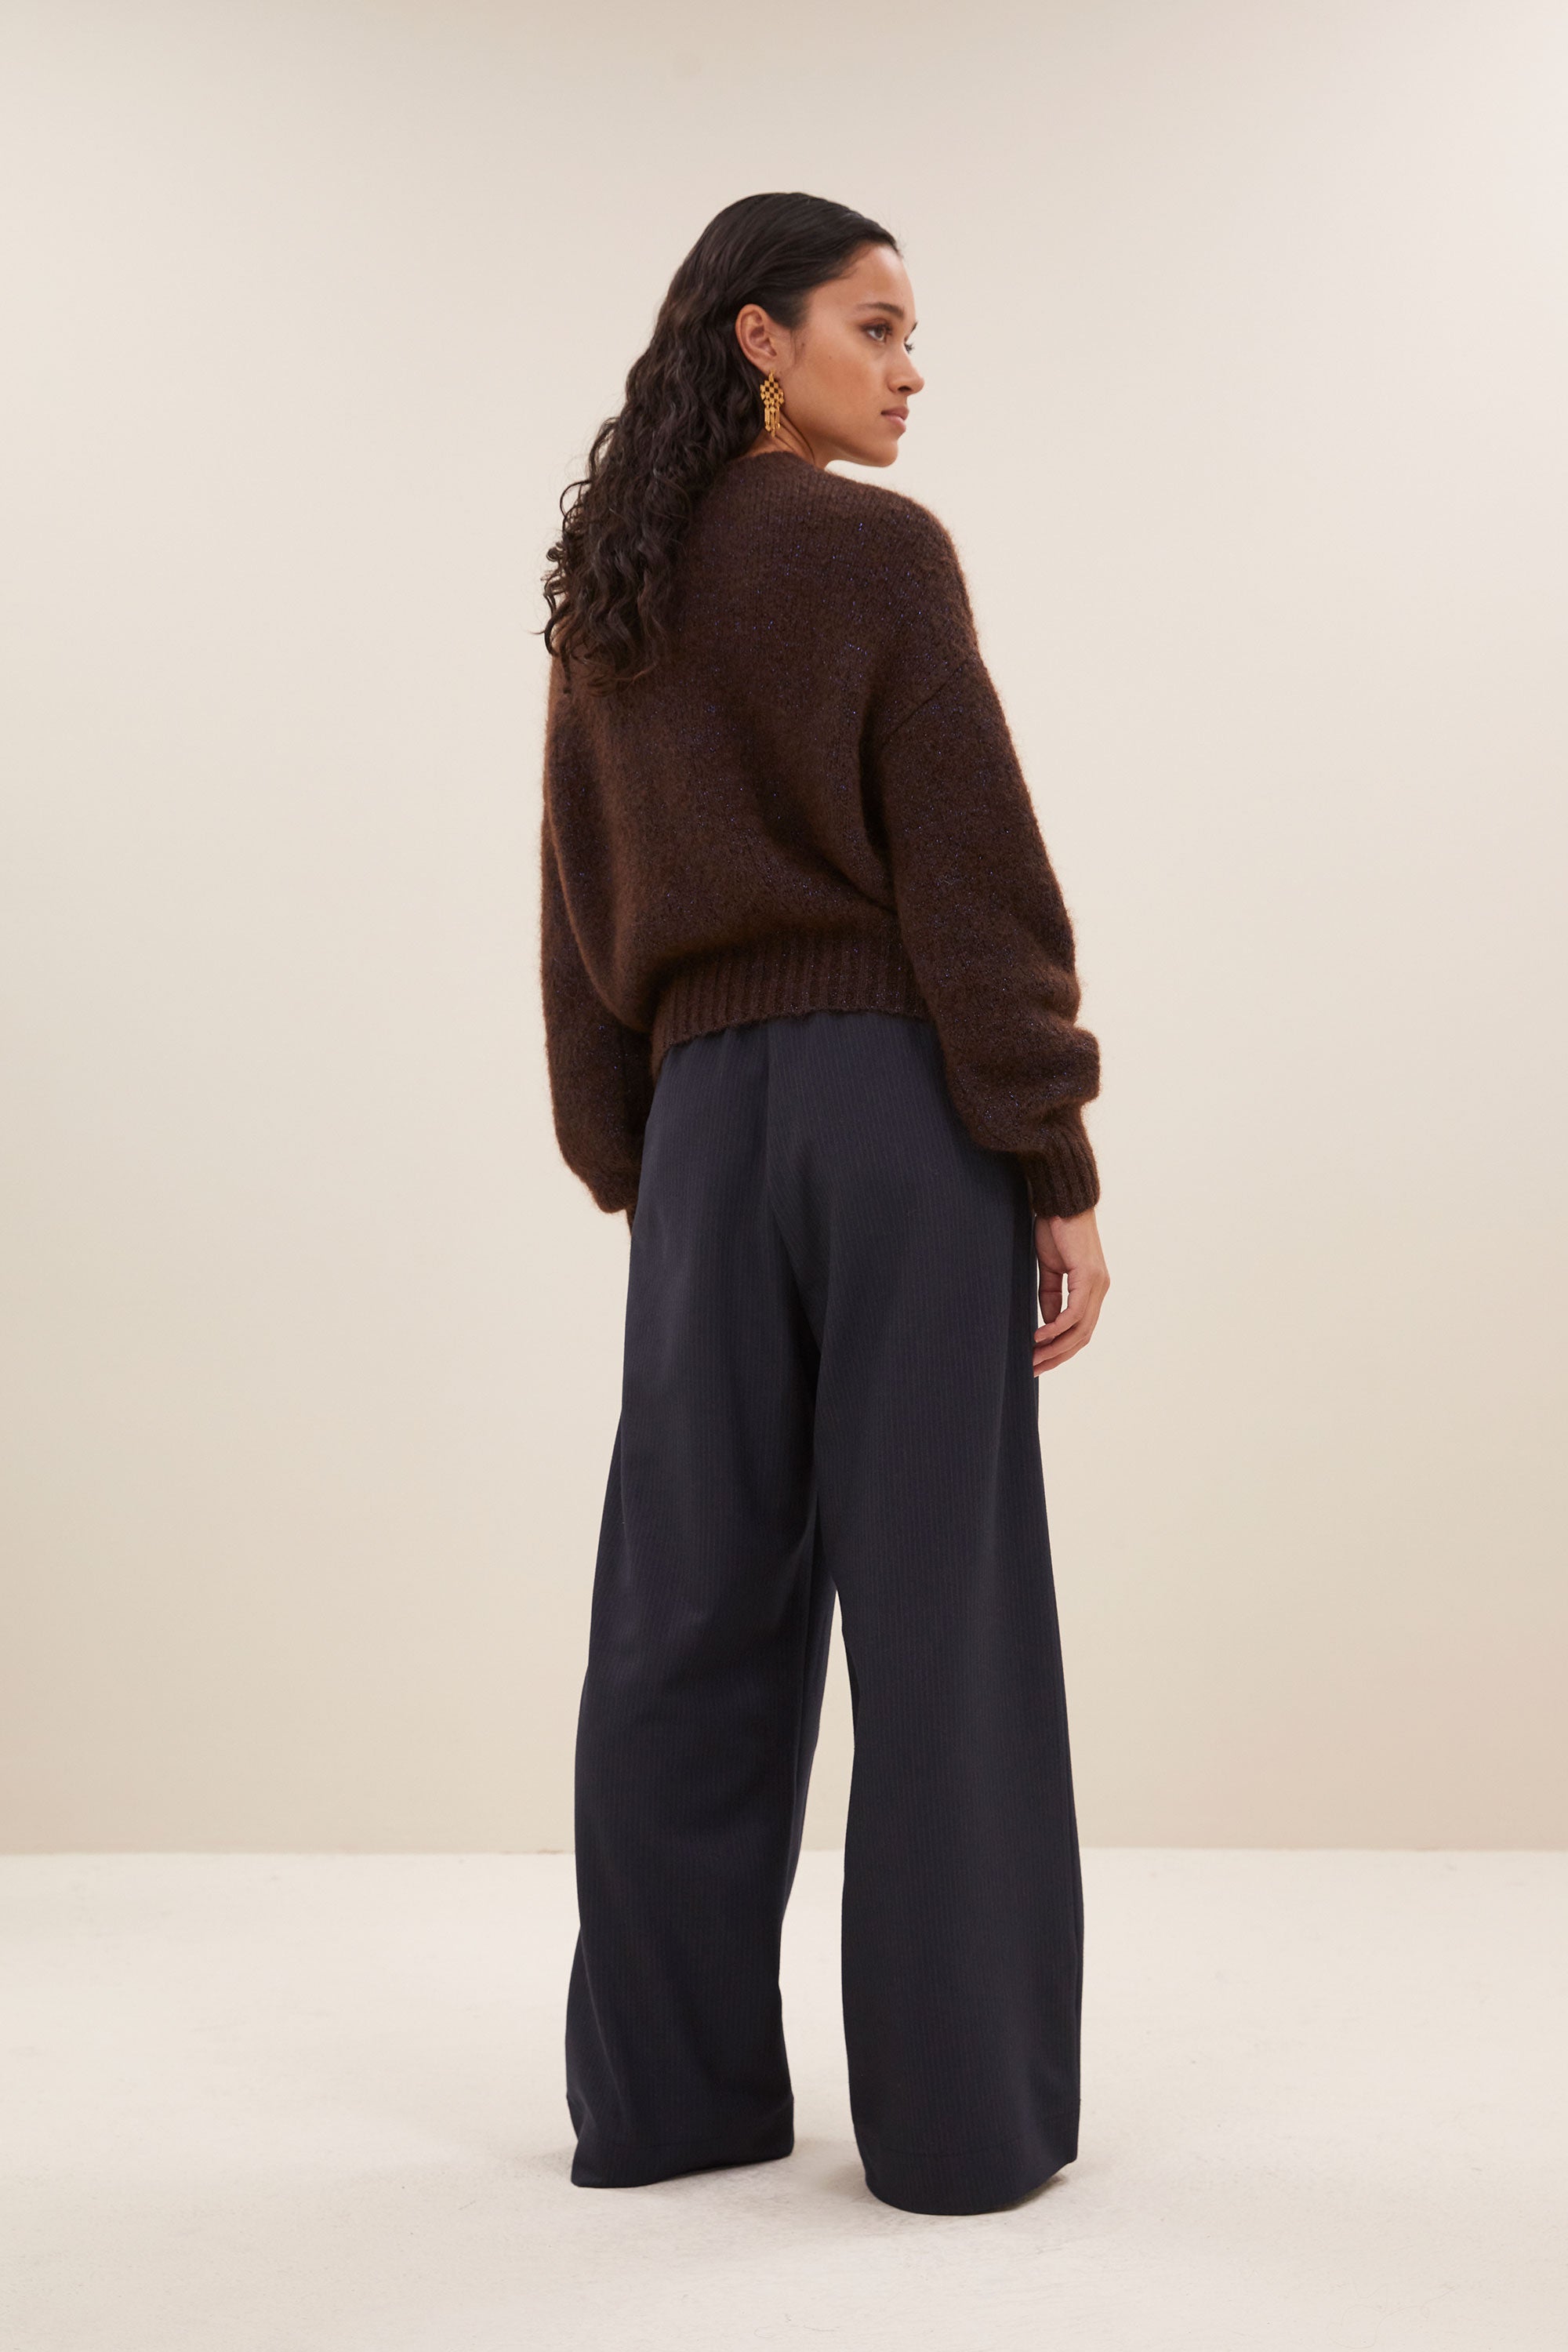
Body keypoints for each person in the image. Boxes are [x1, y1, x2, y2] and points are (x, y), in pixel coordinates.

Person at [537, 191, 1110, 2218]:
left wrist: (641, 1160)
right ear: (759, 338)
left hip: (703, 1130)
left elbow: (577, 910)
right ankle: (958, 2136)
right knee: (942, 1618)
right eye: (877, 325)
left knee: (682, 1617)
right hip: (897, 1111)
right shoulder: (879, 554)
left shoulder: (611, 594)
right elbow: (973, 871)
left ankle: (667, 2111)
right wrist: (1049, 1152)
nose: (911, 367)